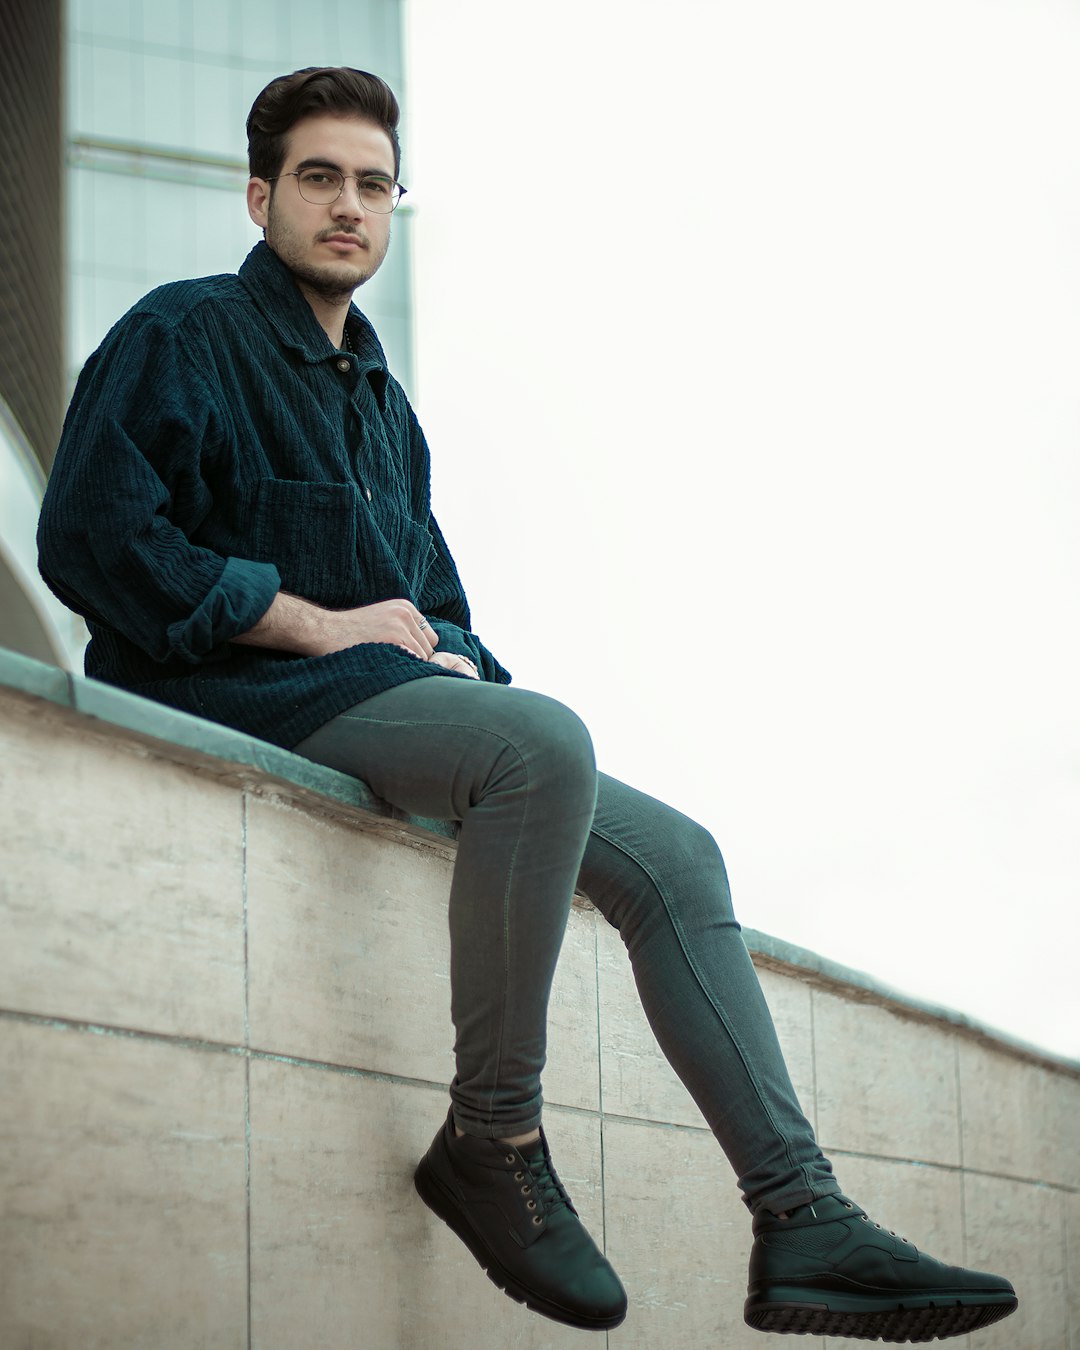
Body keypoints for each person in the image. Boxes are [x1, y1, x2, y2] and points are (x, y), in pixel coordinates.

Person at [37, 67, 1017, 1342]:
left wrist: (450, 660)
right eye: (320, 178)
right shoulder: (186, 333)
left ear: (395, 207)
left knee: (676, 854)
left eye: (374, 184)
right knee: (542, 739)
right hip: (235, 690)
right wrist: (313, 620)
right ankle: (492, 1139)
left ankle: (802, 1219)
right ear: (260, 194)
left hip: (377, 699)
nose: (349, 206)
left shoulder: (386, 411)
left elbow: (439, 604)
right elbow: (92, 537)